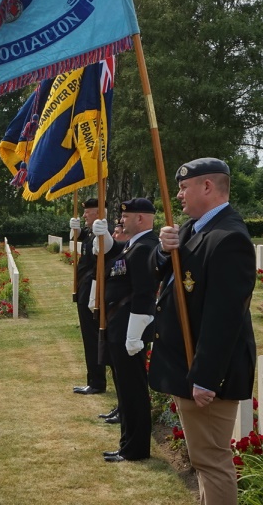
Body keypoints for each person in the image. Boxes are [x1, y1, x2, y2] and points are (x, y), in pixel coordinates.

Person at [149, 158, 256, 505]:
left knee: (211, 461)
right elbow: (159, 274)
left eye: (184, 187)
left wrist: (206, 377)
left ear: (207, 187)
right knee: (204, 460)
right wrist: (162, 250)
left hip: (207, 376)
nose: (178, 194)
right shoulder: (192, 230)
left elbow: (224, 318)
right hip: (187, 366)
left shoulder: (228, 238)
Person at [91, 198, 158, 463]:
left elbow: (144, 293)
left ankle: (135, 449)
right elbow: (113, 251)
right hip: (120, 326)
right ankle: (127, 444)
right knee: (125, 391)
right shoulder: (134, 245)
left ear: (140, 219)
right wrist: (104, 235)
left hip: (130, 329)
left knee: (133, 392)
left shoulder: (145, 247)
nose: (122, 221)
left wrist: (134, 334)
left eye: (126, 217)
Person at [68, 198, 108, 396]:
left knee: (92, 337)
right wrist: (75, 231)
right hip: (85, 289)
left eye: (88, 212)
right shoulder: (92, 233)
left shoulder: (103, 235)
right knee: (88, 337)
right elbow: (81, 238)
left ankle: (97, 382)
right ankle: (93, 378)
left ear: (99, 212)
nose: (84, 215)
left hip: (92, 291)